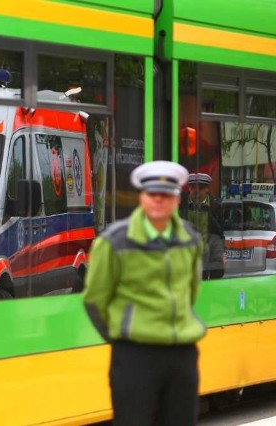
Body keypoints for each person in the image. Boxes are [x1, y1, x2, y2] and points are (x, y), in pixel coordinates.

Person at [83, 160, 206, 426]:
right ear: (142, 197)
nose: (159, 200)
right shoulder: (114, 241)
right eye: (153, 194)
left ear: (177, 199)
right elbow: (94, 300)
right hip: (135, 356)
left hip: (181, 355)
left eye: (167, 195)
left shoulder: (190, 239)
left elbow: (191, 291)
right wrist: (125, 334)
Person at [184, 173, 226, 279]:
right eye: (193, 187)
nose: (196, 191)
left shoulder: (215, 206)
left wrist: (221, 255)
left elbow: (219, 232)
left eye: (201, 188)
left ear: (207, 189)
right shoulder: (181, 204)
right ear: (189, 188)